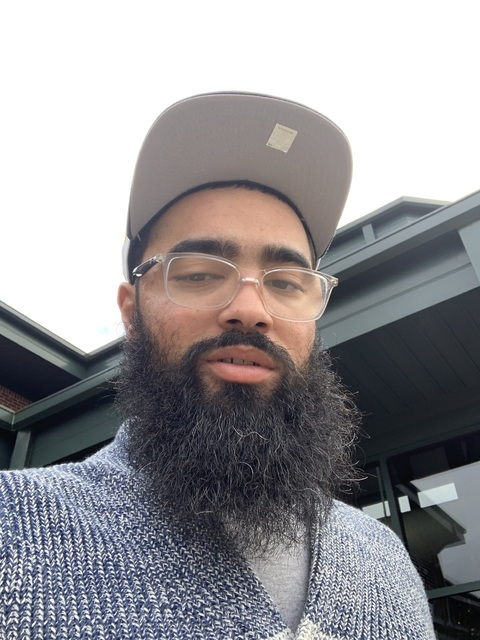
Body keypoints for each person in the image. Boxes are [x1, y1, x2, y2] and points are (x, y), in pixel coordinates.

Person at [0, 92, 435, 638]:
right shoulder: (13, 528)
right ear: (131, 314)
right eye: (200, 274)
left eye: (286, 283)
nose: (251, 311)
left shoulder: (386, 561)